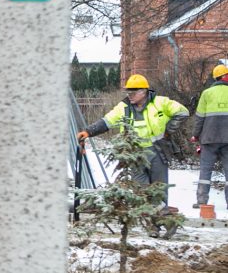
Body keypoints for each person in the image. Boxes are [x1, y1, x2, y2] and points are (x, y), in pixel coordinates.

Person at [77, 73, 189, 210]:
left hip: (158, 152)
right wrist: (89, 131)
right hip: (135, 154)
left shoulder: (161, 103)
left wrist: (168, 130)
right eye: (128, 92)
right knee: (140, 190)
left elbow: (183, 112)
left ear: (143, 92)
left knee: (159, 189)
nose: (129, 95)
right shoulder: (123, 107)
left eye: (133, 92)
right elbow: (107, 121)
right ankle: (154, 216)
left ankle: (158, 225)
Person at [191, 64, 228, 209]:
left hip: (209, 138)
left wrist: (195, 135)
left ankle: (201, 201)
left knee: (205, 171)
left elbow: (200, 117)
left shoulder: (207, 93)